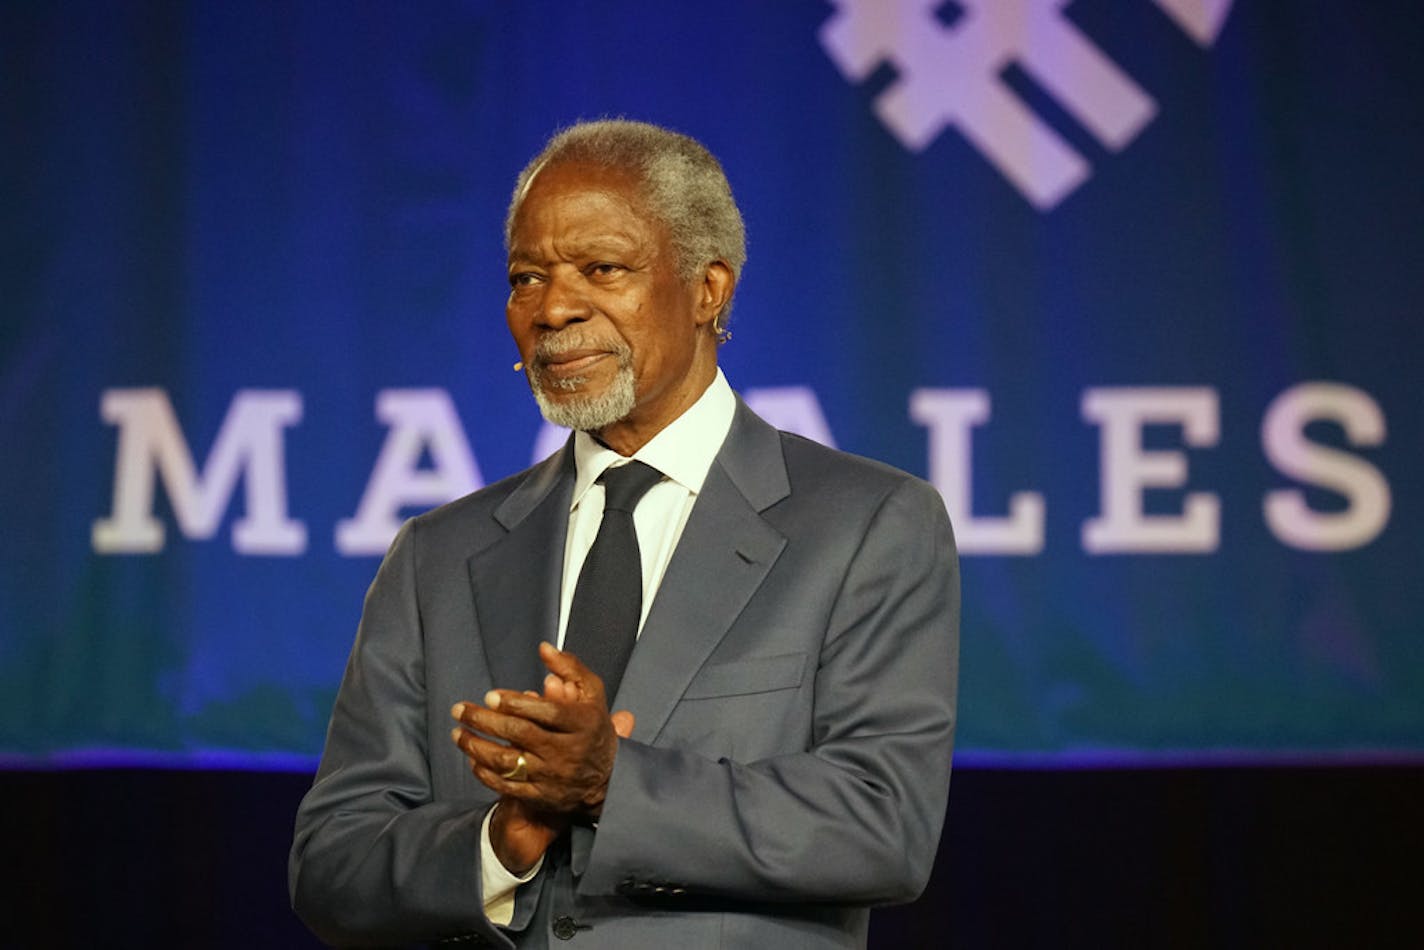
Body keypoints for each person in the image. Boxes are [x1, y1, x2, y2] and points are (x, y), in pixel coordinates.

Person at [290, 119, 959, 949]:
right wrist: (500, 844)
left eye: (602, 269)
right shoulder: (439, 556)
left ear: (709, 289)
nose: (555, 308)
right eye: (526, 278)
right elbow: (332, 862)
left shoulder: (867, 525)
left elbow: (882, 825)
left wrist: (613, 785)